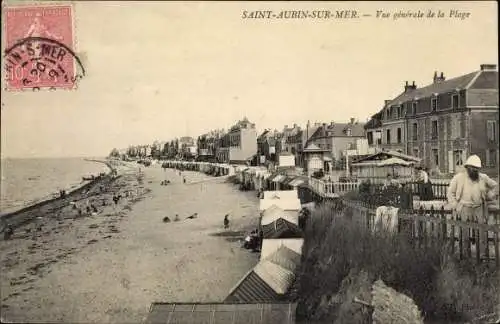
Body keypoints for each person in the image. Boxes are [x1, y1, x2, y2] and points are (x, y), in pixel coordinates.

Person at [447, 155, 498, 259]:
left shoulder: (483, 177)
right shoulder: (458, 178)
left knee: (482, 233)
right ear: (467, 167)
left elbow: (496, 186)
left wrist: (490, 195)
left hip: (479, 208)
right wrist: (455, 205)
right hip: (464, 208)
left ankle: (482, 255)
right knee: (464, 233)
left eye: (477, 169)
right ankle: (465, 255)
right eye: (472, 168)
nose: (475, 171)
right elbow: (450, 193)